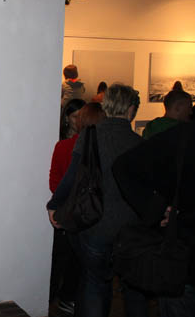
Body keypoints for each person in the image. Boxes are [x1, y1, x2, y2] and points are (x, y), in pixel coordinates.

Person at [47, 84, 145, 317]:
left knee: (94, 282)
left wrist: (54, 205)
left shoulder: (90, 136)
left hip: (95, 222)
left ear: (106, 105)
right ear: (131, 110)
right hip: (130, 227)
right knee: (132, 288)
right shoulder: (138, 143)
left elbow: (72, 176)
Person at [113, 122, 195, 317]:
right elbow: (124, 167)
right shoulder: (182, 137)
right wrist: (157, 211)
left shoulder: (181, 136)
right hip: (181, 260)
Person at [48, 102, 105, 314]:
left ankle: (65, 298)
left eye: (79, 117)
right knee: (66, 259)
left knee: (75, 262)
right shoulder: (65, 146)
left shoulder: (79, 145)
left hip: (78, 211)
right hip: (76, 210)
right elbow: (57, 180)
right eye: (73, 116)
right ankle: (59, 297)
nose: (76, 120)